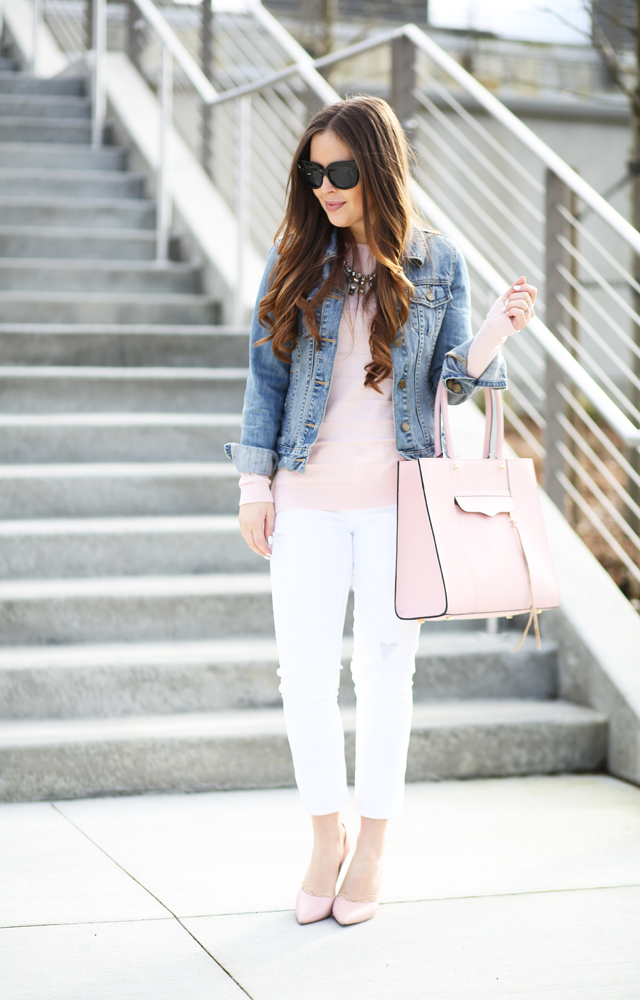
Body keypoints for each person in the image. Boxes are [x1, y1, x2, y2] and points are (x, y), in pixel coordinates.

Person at [225, 96, 536, 926]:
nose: (325, 186)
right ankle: (324, 838)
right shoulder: (294, 256)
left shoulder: (439, 261)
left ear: (380, 168)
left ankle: (373, 846)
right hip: (307, 500)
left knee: (386, 675)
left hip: (402, 504)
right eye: (313, 171)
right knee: (304, 677)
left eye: (342, 170)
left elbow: (454, 379)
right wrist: (255, 488)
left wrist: (498, 336)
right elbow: (267, 380)